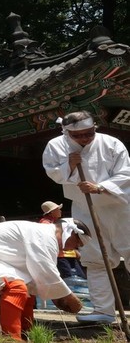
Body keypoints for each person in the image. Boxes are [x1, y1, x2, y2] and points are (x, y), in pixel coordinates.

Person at [43, 110, 130, 324]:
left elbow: (126, 172)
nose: (84, 139)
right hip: (84, 208)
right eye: (78, 135)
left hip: (119, 206)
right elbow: (53, 172)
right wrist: (70, 165)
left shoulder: (111, 143)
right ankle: (104, 311)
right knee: (96, 259)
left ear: (95, 128)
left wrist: (100, 187)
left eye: (88, 133)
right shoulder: (56, 145)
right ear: (66, 132)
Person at [0, 219, 86, 339]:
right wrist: (67, 296)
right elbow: (45, 270)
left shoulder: (45, 236)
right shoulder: (44, 236)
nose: (74, 248)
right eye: (76, 243)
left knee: (28, 291)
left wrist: (59, 296)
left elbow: (41, 276)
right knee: (17, 288)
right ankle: (12, 340)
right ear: (70, 233)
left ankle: (26, 333)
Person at [39, 201, 86, 279]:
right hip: (60, 256)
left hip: (68, 254)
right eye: (57, 209)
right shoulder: (46, 224)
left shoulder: (59, 222)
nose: (60, 211)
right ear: (51, 212)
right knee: (70, 278)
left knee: (79, 277)